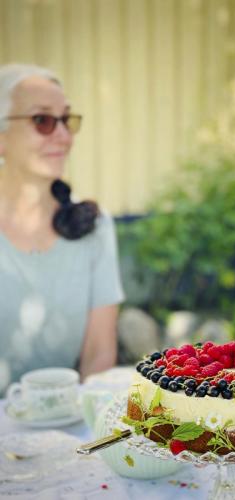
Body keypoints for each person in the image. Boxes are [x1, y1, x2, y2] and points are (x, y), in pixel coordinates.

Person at [0, 63, 124, 396]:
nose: (65, 137)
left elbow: (99, 355)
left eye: (67, 120)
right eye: (42, 120)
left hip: (67, 420)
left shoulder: (95, 226)